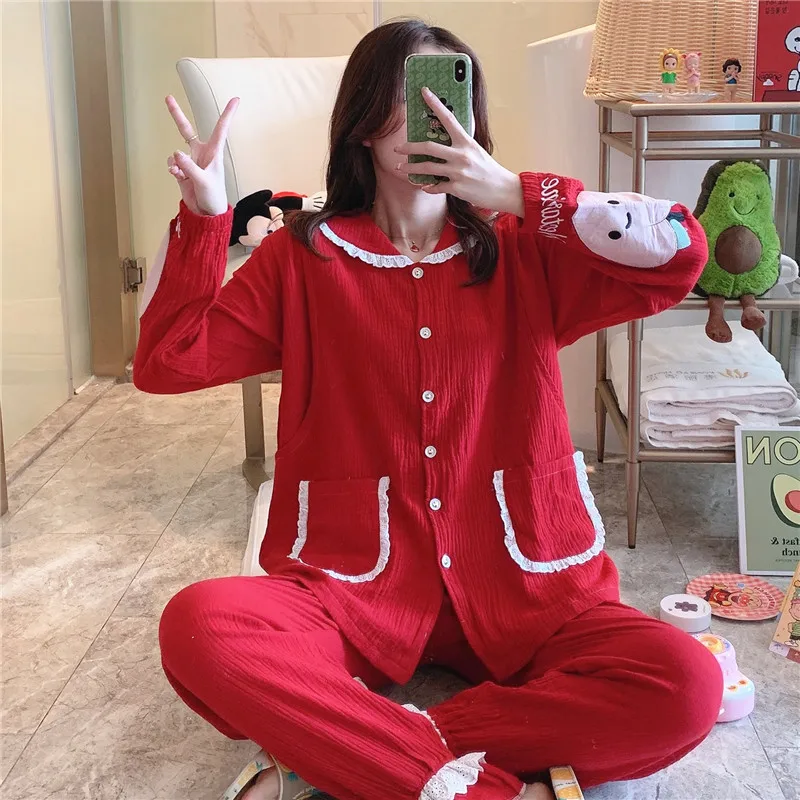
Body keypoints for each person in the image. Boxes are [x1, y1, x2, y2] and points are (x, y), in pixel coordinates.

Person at [134, 19, 723, 800]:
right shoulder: (302, 257)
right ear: (364, 120)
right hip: (351, 589)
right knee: (201, 626)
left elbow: (681, 253)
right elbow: (167, 364)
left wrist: (511, 191)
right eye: (413, 95)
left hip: (528, 585)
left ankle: (354, 749)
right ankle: (460, 781)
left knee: (685, 683)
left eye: (453, 96)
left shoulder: (524, 245)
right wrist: (207, 217)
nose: (436, 116)